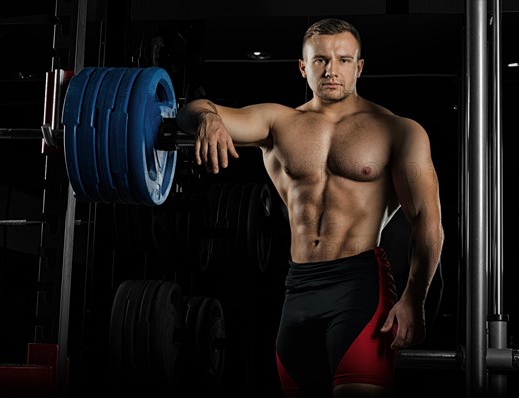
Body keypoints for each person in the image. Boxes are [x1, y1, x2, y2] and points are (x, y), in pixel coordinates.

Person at [176, 18, 444, 398]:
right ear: (303, 67)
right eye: (319, 60)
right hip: (298, 288)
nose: (331, 69)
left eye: (343, 59)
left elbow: (428, 222)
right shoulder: (278, 122)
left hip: (360, 286)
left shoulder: (398, 130)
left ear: (359, 66)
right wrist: (208, 119)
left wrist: (414, 299)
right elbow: (193, 110)